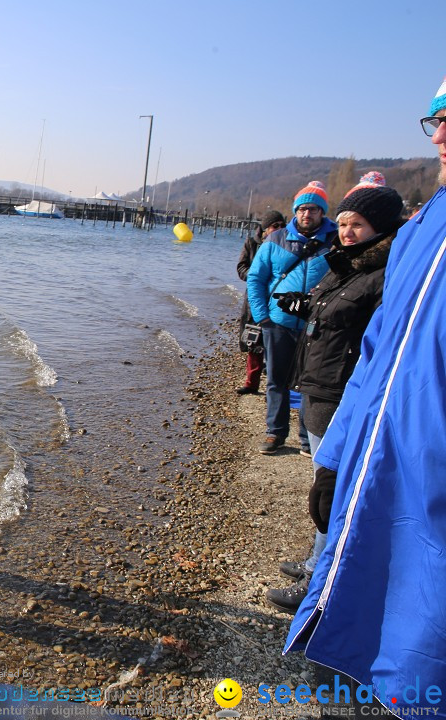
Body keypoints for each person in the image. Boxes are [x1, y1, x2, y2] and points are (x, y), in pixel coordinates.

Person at [283, 77, 446, 715]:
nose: (440, 134)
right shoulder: (422, 230)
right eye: (434, 117)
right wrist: (336, 456)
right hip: (377, 469)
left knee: (421, 652)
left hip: (430, 483)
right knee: (350, 636)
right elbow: (379, 354)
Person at [263, 174, 403, 614]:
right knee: (324, 486)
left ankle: (320, 586)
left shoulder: (383, 275)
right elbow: (329, 314)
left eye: (357, 224)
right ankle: (315, 561)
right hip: (318, 389)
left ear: (380, 228)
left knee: (332, 491)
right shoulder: (344, 265)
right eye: (343, 222)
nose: (346, 231)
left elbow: (374, 338)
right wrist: (300, 306)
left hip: (343, 394)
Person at [246, 181, 335, 455]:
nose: (307, 214)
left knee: (311, 382)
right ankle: (275, 433)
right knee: (276, 380)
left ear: (322, 212)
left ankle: (308, 438)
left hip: (315, 324)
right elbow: (255, 278)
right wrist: (263, 318)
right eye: (302, 209)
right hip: (278, 323)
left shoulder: (335, 242)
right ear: (295, 211)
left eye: (313, 209)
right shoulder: (275, 240)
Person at [236, 210, 285, 394]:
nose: (279, 229)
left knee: (276, 345)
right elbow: (241, 268)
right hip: (255, 300)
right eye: (275, 226)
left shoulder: (287, 244)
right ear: (265, 229)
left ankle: (274, 388)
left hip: (277, 302)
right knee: (253, 342)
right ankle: (251, 383)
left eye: (282, 226)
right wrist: (257, 276)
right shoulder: (251, 244)